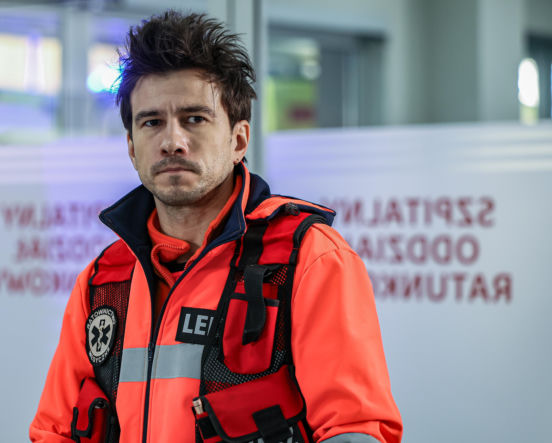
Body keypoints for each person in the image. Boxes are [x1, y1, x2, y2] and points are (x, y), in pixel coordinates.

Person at [30, 10, 402, 443]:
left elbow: (353, 429)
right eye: (151, 122)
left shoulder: (308, 259)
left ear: (238, 140)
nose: (172, 141)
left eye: (194, 119)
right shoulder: (103, 281)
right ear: (131, 146)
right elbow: (54, 431)